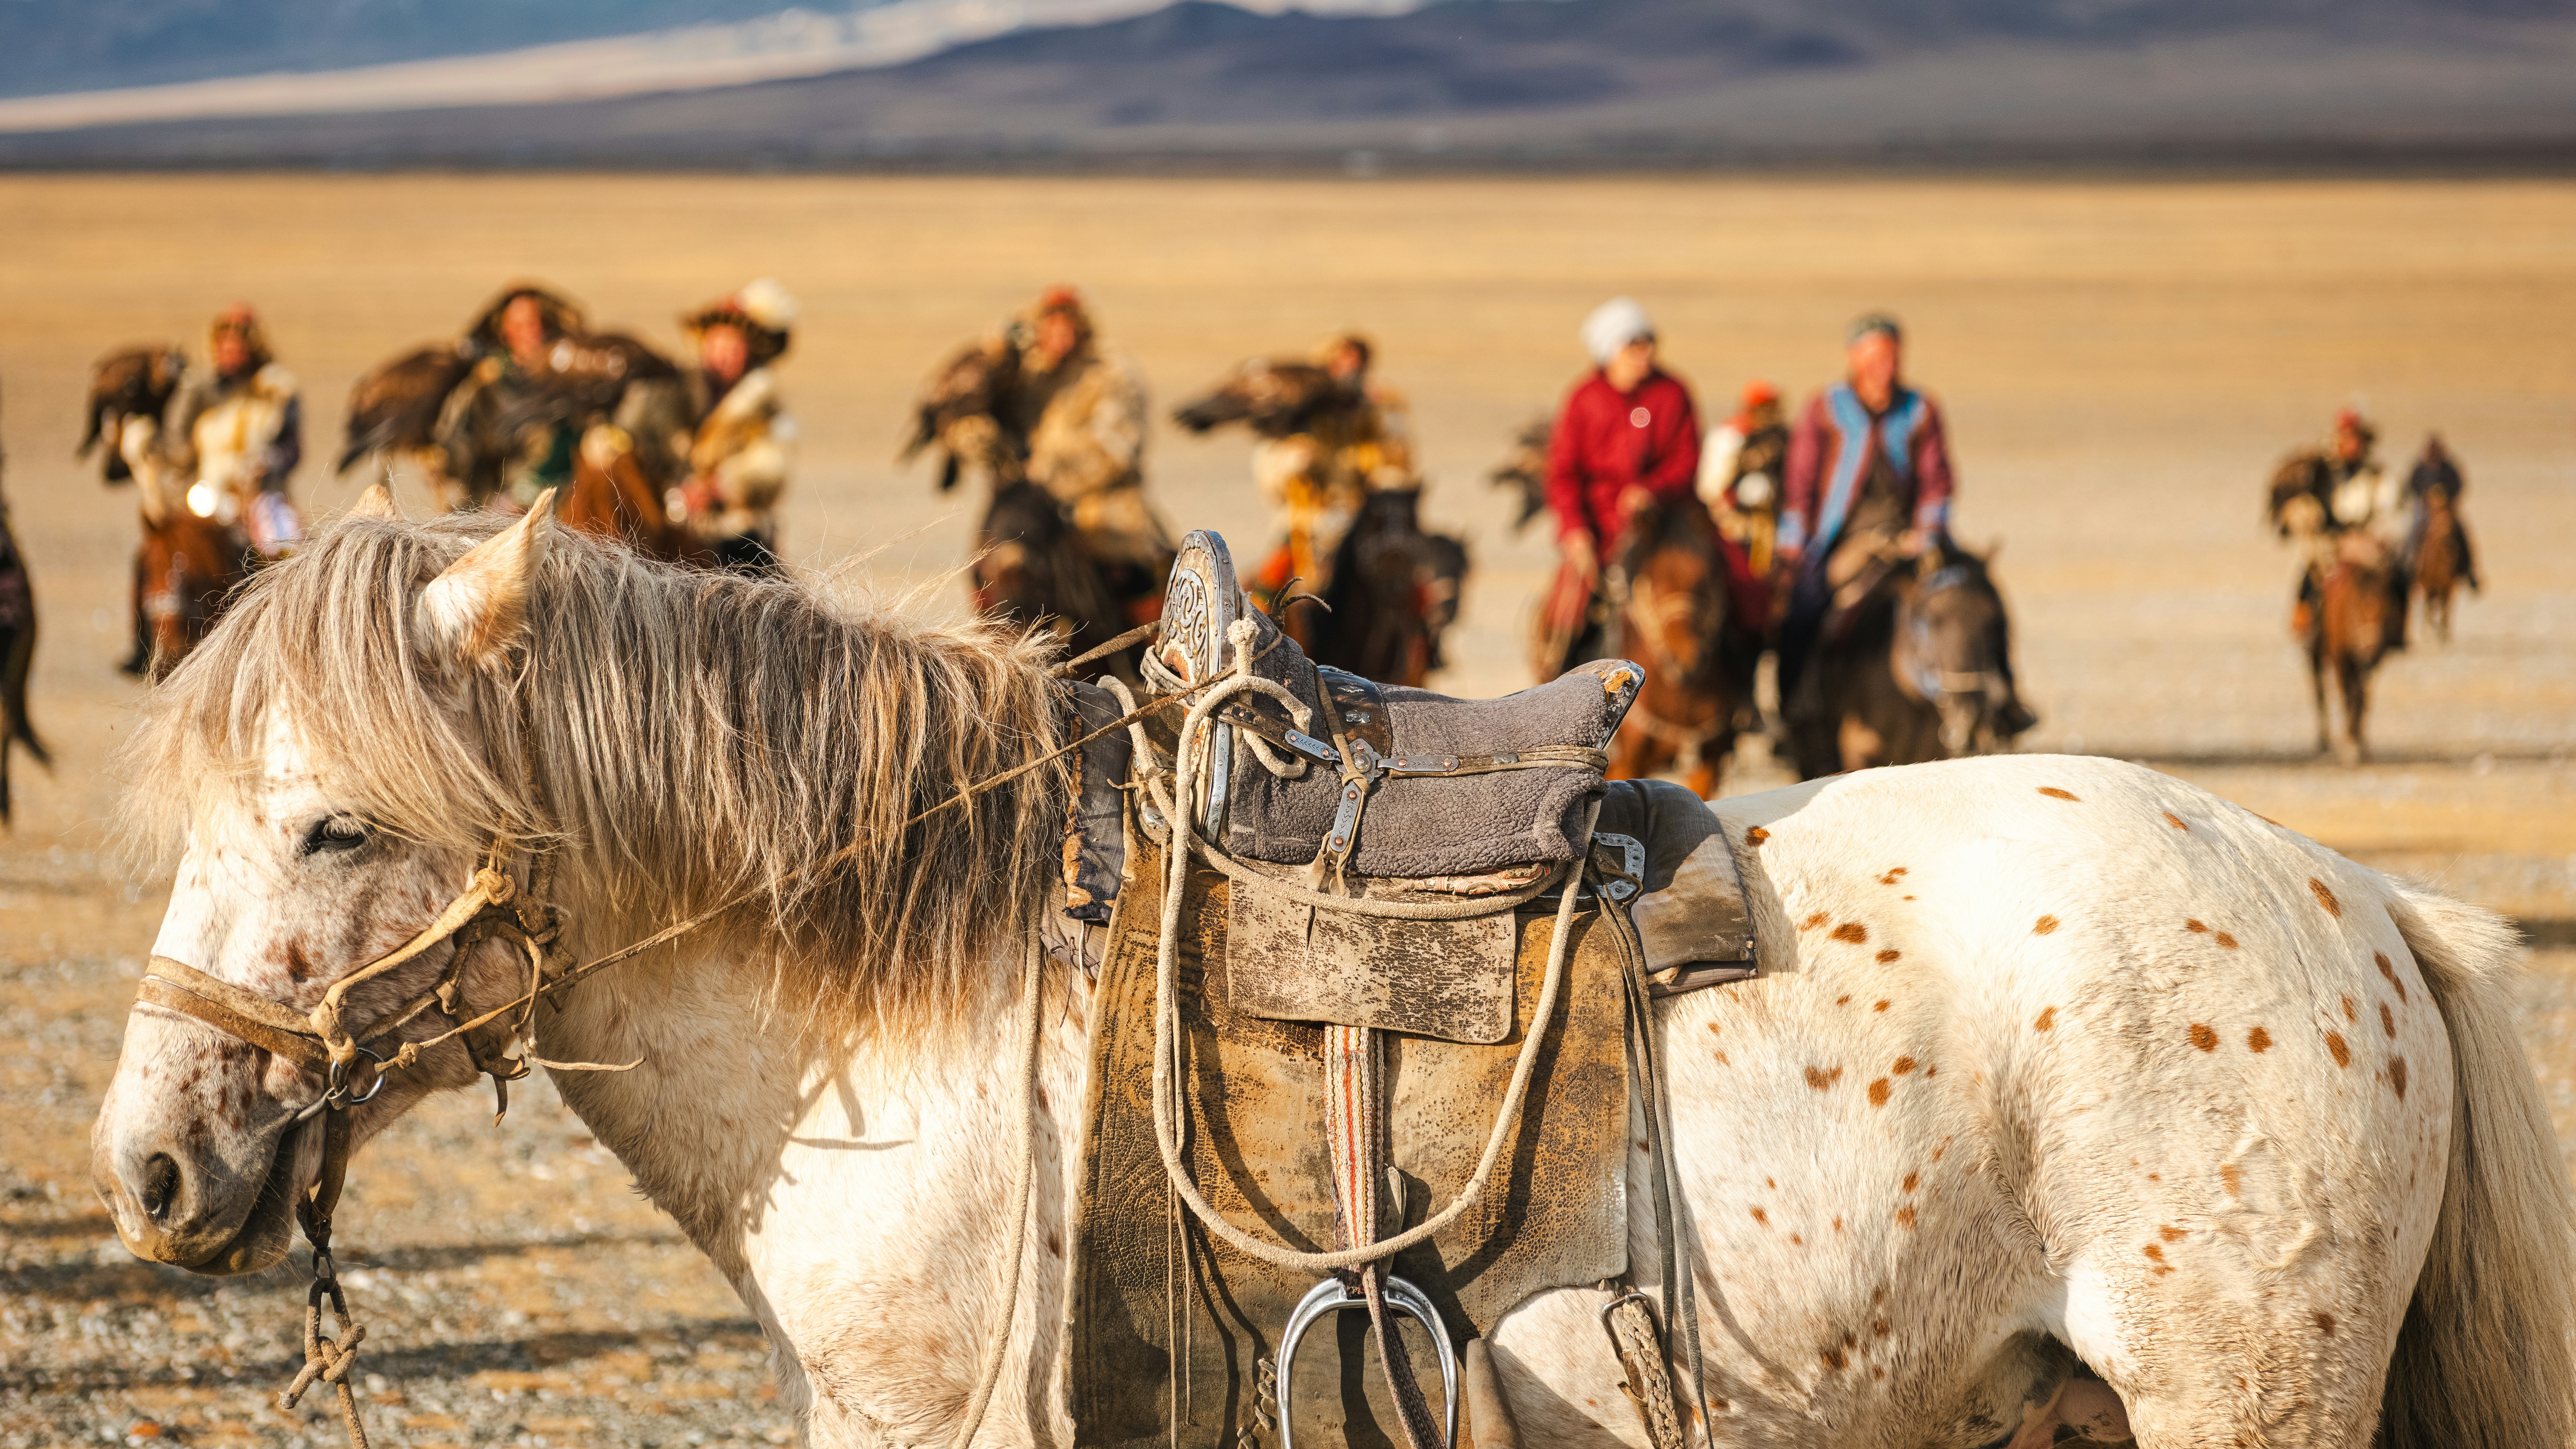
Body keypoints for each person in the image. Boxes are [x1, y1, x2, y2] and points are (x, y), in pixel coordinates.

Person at [1538, 297, 1701, 675]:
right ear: (1610, 351)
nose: (1646, 353)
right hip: (1601, 528)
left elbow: (1687, 459)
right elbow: (1563, 473)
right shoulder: (1584, 399)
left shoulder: (1673, 393)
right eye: (1634, 345)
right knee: (1568, 609)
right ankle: (1556, 693)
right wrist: (1575, 531)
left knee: (1727, 580)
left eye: (1649, 343)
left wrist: (1652, 490)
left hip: (1667, 522)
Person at [1006, 286, 1172, 614]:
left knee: (1133, 580)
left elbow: (1117, 453)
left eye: (1065, 328)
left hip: (1107, 509)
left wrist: (1049, 480)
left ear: (1082, 328)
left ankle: (1143, 657)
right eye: (1049, 328)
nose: (1058, 338)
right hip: (1040, 513)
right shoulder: (1033, 378)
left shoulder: (1114, 375)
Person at [1250, 331, 1420, 608]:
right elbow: (1269, 473)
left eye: (1358, 364)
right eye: (1342, 365)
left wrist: (1386, 470)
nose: (1351, 372)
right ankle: (1252, 646)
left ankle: (1425, 648)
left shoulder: (1381, 406)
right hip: (1307, 526)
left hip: (1365, 522)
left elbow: (1403, 461)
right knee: (1268, 590)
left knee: (1415, 593)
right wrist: (1291, 464)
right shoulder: (1298, 411)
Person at [671, 280, 798, 573]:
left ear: (749, 353)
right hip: (672, 523)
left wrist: (718, 488)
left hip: (734, 534)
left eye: (734, 347)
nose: (723, 355)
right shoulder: (676, 394)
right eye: (716, 344)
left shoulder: (765, 408)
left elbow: (772, 464)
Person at [161, 303, 303, 559]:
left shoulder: (276, 391)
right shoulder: (201, 394)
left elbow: (291, 448)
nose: (228, 351)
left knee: (283, 551)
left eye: (236, 344)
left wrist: (270, 461)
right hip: (210, 492)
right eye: (223, 343)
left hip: (262, 494)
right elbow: (177, 441)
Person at [435, 283, 588, 509]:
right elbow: (460, 452)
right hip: (500, 503)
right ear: (506, 334)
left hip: (565, 501)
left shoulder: (569, 382)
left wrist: (536, 292)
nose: (534, 332)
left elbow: (578, 319)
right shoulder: (488, 389)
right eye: (523, 325)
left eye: (539, 323)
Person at [2272, 408, 2409, 648]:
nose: (2352, 445)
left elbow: (2391, 510)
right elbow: (2302, 508)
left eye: (2356, 439)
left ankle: (2398, 630)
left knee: (2398, 576)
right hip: (2330, 539)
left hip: (2367, 539)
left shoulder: (2377, 476)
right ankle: (2306, 623)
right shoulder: (2320, 473)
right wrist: (2306, 519)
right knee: (2312, 576)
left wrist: (2379, 536)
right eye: (2346, 439)